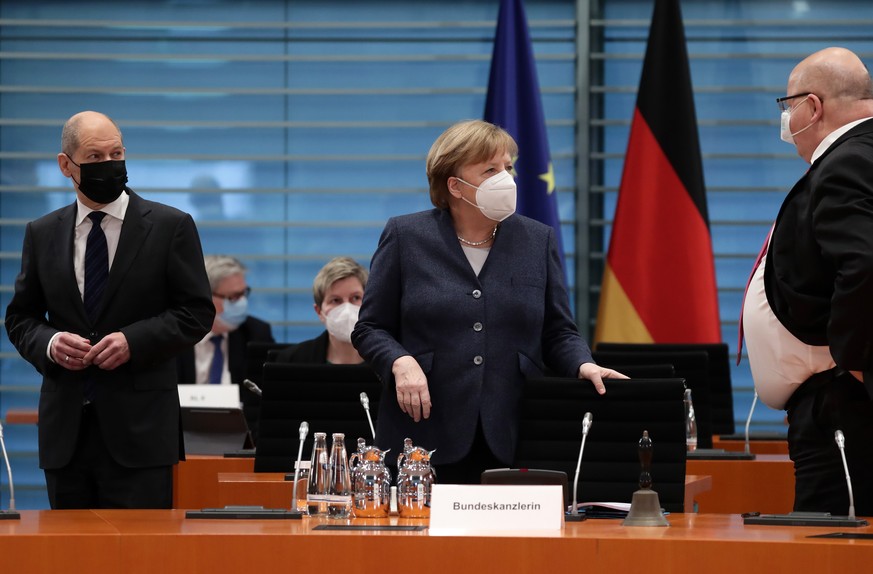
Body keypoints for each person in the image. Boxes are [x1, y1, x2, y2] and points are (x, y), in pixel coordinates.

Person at [351, 120, 626, 484]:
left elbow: (558, 331)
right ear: (455, 186)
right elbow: (370, 328)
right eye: (491, 169)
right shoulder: (406, 236)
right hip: (424, 433)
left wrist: (583, 365)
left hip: (515, 430)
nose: (506, 178)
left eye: (508, 167)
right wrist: (400, 362)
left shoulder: (536, 240)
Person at [4, 110, 215, 509]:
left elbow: (196, 312)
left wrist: (133, 341)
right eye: (95, 157)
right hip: (66, 435)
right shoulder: (42, 232)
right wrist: (50, 344)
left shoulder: (171, 226)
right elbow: (20, 318)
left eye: (116, 154)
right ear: (66, 165)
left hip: (142, 435)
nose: (109, 166)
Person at [741, 47, 873, 516]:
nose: (786, 117)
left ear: (813, 107)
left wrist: (856, 361)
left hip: (844, 406)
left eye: (788, 104)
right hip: (842, 402)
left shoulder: (846, 163)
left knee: (831, 545)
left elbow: (863, 267)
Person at [175, 255, 274, 439]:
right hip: (179, 439)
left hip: (240, 441)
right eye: (234, 297)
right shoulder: (175, 334)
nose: (243, 303)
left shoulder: (257, 334)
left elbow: (263, 404)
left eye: (244, 293)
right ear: (204, 297)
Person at [273, 256, 367, 364]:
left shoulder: (388, 362)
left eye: (356, 298)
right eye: (336, 300)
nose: (347, 309)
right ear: (319, 311)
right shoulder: (291, 361)